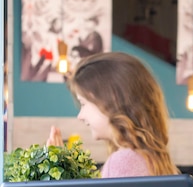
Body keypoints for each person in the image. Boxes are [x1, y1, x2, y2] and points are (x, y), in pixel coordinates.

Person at [47, 51, 178, 178]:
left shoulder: (124, 162)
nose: (80, 116)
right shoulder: (152, 159)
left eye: (83, 103)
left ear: (111, 101)